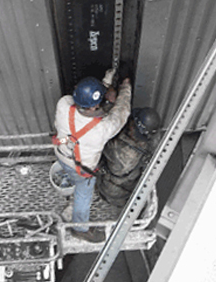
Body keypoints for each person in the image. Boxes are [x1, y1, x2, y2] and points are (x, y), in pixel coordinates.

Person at [53, 72, 131, 243]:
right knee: (83, 194)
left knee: (72, 174)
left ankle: (69, 188)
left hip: (61, 155)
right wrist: (124, 88)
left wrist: (102, 87)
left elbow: (83, 103)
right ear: (96, 105)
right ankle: (80, 229)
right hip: (82, 170)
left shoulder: (64, 104)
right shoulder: (102, 129)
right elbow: (121, 112)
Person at [96, 106, 161, 211]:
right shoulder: (153, 136)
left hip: (114, 187)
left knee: (110, 194)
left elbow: (99, 146)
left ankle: (108, 200)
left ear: (134, 128)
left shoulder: (121, 151)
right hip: (131, 179)